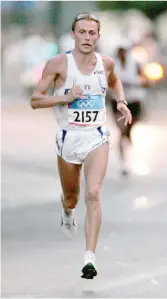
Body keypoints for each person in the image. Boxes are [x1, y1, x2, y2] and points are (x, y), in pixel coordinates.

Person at [30, 12, 132, 279]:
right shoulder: (58, 64)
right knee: (73, 196)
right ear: (73, 35)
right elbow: (35, 100)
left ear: (98, 36)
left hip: (97, 135)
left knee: (94, 193)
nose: (87, 37)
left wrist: (120, 101)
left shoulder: (105, 63)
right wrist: (65, 96)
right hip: (68, 137)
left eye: (92, 33)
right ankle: (67, 210)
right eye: (82, 32)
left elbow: (114, 81)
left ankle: (90, 258)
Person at [109, 42, 149, 176]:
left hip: (134, 100)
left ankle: (128, 134)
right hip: (118, 102)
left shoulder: (135, 63)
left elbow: (145, 79)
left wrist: (138, 83)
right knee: (122, 130)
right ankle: (123, 162)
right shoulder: (112, 66)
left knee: (130, 126)